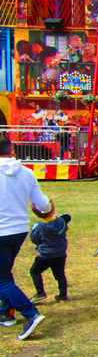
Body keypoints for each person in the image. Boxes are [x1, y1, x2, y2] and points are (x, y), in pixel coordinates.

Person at [0, 137, 50, 340]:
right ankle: (6, 312)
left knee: (1, 278)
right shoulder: (27, 172)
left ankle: (30, 313)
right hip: (19, 230)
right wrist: (46, 210)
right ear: (11, 149)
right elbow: (43, 204)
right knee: (4, 273)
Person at [28, 204, 71, 303]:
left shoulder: (39, 226)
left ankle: (40, 293)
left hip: (45, 255)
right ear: (52, 210)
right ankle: (63, 295)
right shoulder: (61, 221)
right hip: (60, 254)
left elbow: (34, 239)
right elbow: (65, 225)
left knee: (34, 271)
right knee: (60, 274)